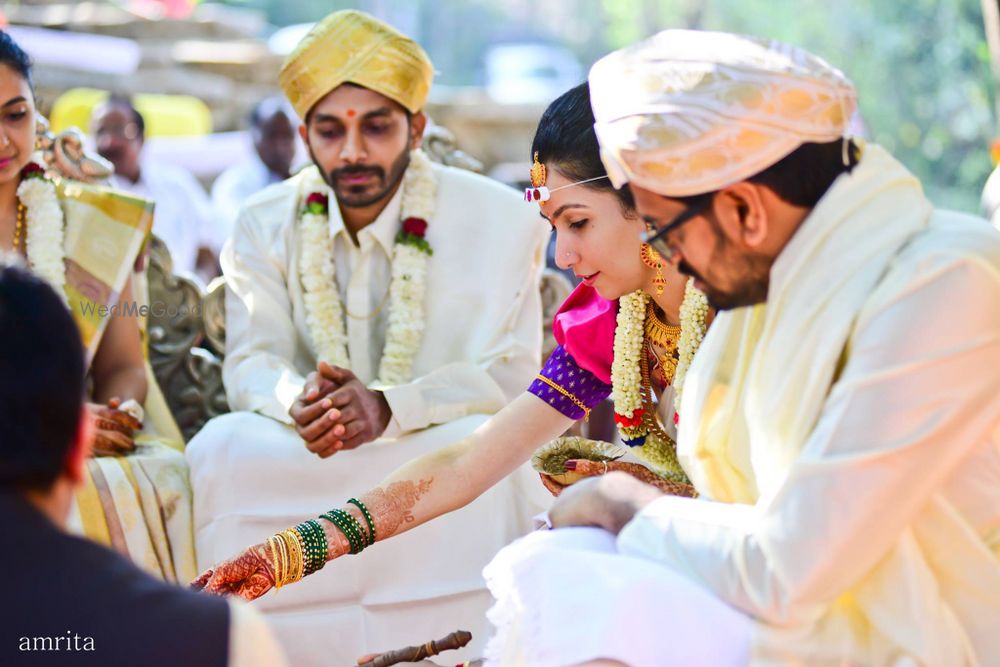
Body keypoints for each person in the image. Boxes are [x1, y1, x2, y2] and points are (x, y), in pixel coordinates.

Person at [485, 29, 1000, 666]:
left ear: (746, 212)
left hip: (933, 644)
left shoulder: (942, 286)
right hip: (803, 618)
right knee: (559, 567)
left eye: (663, 230)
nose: (664, 257)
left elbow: (787, 568)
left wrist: (624, 504)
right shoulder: (785, 282)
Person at [192, 81, 713, 657]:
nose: (562, 256)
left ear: (647, 204)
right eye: (553, 226)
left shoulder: (737, 311)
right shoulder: (610, 321)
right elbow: (473, 460)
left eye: (578, 222)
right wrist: (295, 552)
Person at [184, 10, 550, 664]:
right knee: (222, 446)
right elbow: (251, 359)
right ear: (304, 135)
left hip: (438, 452)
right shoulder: (262, 220)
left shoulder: (499, 219)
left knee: (498, 465)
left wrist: (390, 405)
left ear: (417, 127)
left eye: (377, 127)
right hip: (300, 451)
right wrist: (301, 402)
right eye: (331, 130)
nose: (352, 151)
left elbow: (511, 376)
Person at [0, 262, 287, 667]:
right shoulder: (218, 637)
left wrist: (116, 413)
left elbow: (124, 366)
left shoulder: (102, 223)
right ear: (78, 442)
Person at [0, 30, 198, 584]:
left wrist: (119, 412)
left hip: (81, 441)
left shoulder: (91, 225)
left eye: (15, 115)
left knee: (162, 478)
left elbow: (124, 366)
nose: (2, 140)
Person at [91, 94, 219, 281]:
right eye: (100, 132)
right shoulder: (85, 191)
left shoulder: (177, 184)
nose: (109, 142)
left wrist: (195, 296)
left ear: (141, 139)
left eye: (119, 130)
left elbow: (207, 252)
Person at [211, 95, 297, 243]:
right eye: (272, 136)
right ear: (254, 136)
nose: (280, 146)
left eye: (287, 136)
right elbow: (236, 236)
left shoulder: (306, 179)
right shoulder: (233, 184)